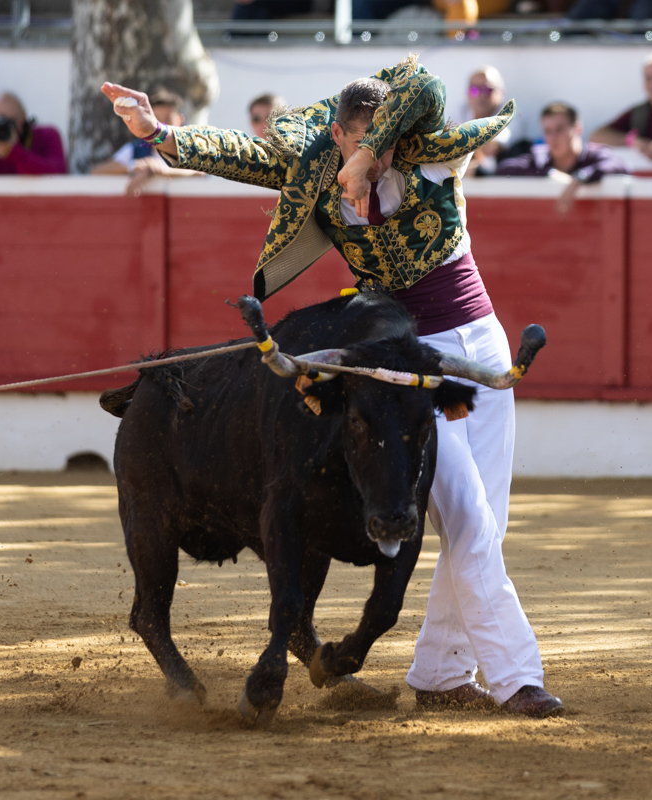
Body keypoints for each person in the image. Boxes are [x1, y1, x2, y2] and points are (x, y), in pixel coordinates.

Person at [101, 56, 565, 718]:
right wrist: (160, 134)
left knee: (487, 523)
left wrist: (371, 155)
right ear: (337, 136)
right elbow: (242, 155)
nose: (374, 163)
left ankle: (440, 673)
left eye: (382, 147)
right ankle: (518, 677)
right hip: (402, 363)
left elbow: (426, 85)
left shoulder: (429, 148)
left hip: (482, 343)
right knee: (466, 514)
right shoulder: (315, 162)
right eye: (357, 146)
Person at [497, 102, 628, 214]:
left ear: (577, 129)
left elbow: (620, 165)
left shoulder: (595, 154)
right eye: (548, 131)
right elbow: (504, 168)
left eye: (559, 129)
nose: (553, 137)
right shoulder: (539, 156)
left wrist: (580, 177)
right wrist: (549, 173)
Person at [90, 88, 201, 196]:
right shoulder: (136, 148)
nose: (162, 125)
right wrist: (135, 167)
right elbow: (96, 172)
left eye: (168, 119)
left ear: (180, 120)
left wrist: (158, 170)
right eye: (156, 119)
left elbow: (200, 172)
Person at [461, 66, 527, 176]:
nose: (480, 95)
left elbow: (491, 145)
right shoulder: (458, 112)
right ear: (467, 93)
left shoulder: (512, 114)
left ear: (501, 93)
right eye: (474, 90)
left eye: (487, 90)